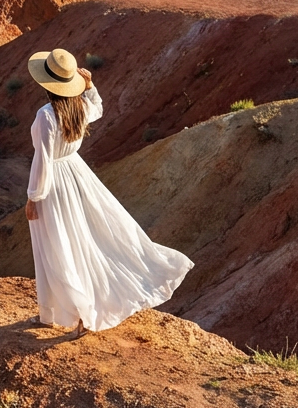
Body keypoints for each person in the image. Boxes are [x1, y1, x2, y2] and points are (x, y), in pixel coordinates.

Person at [25, 47, 193, 338]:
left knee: (57, 247)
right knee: (79, 241)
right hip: (77, 176)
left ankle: (76, 314)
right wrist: (90, 86)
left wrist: (33, 197)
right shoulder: (78, 107)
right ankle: (58, 313)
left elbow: (43, 160)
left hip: (55, 183)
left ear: (46, 83)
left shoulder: (46, 115)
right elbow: (98, 108)